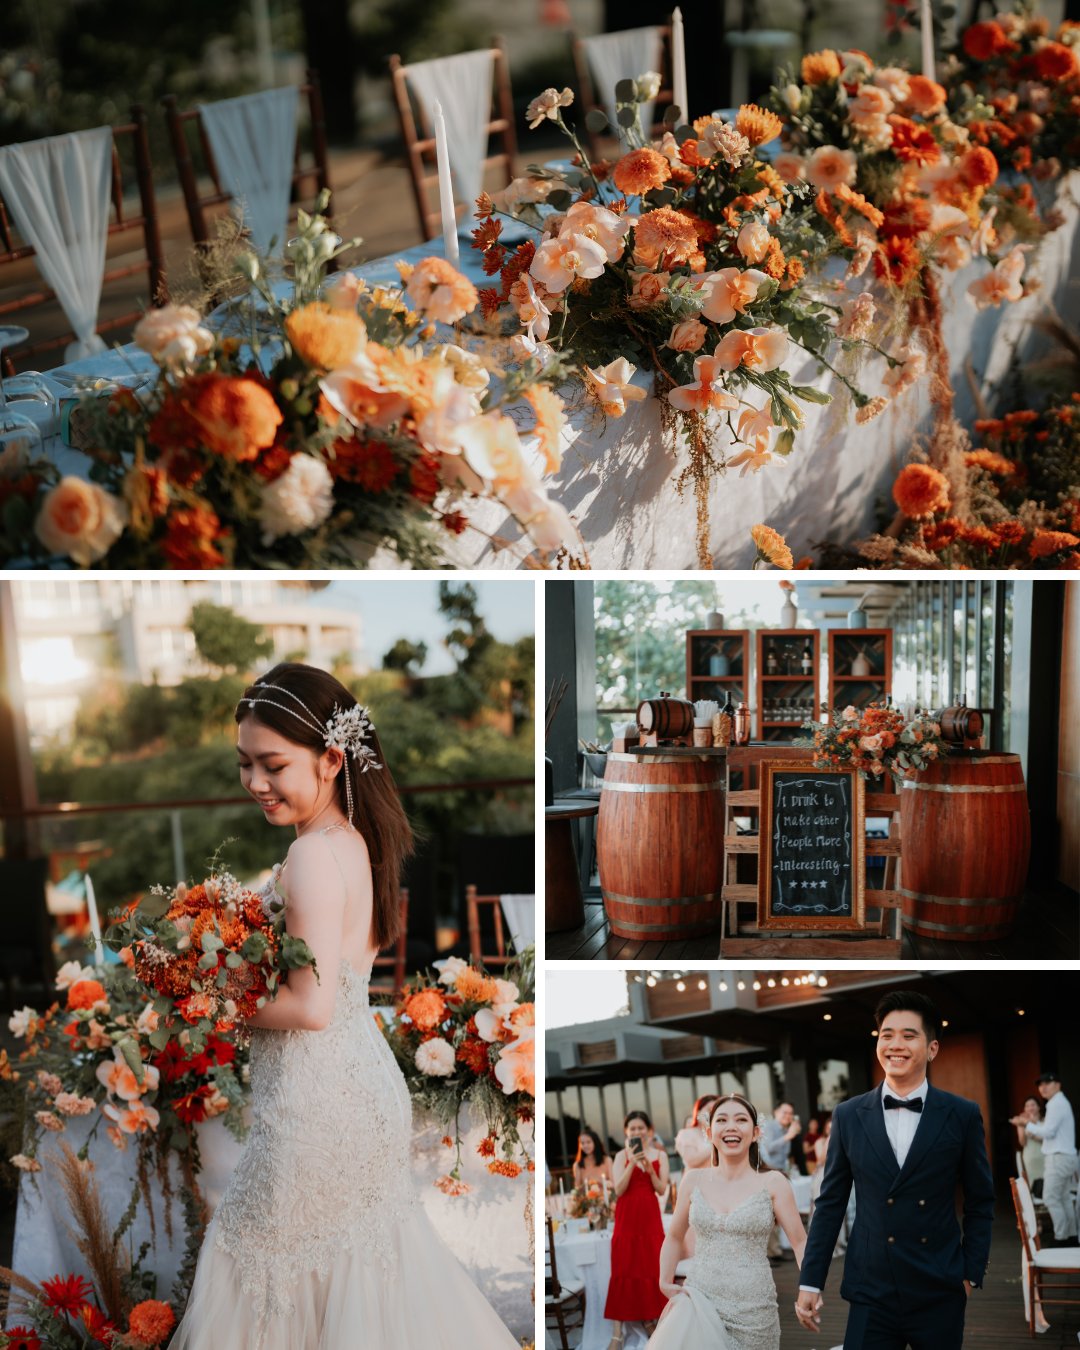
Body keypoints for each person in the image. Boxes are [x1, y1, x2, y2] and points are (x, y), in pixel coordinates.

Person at [170, 663, 518, 1350]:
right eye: (244, 764)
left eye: (272, 764)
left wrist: (207, 996)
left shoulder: (308, 856)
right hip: (351, 1090)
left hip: (317, 1102)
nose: (255, 783)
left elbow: (311, 1005)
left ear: (332, 758)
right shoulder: (354, 843)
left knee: (273, 1268)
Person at [795, 990, 994, 1350]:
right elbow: (830, 1204)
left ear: (932, 1048)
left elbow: (981, 1201)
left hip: (939, 1287)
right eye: (887, 1035)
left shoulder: (962, 1114)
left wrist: (969, 1274)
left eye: (908, 1035)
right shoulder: (848, 1115)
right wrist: (811, 1281)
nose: (895, 1044)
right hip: (871, 1289)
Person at [647, 1094, 807, 1349]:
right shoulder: (692, 1180)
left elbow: (800, 1243)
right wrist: (664, 1280)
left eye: (741, 1119)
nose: (731, 1126)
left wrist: (809, 1287)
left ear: (755, 1133)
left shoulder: (774, 1182)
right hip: (700, 1300)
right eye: (722, 1120)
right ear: (709, 1132)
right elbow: (675, 1236)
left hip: (754, 1309)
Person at [605, 1110, 670, 1341]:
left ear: (649, 1130)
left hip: (649, 1216)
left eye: (640, 1128)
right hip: (627, 1217)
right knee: (623, 1267)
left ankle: (652, 1319)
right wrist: (632, 1162)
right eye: (632, 1128)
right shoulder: (620, 1155)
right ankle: (616, 1334)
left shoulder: (660, 1156)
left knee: (651, 1267)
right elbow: (619, 1190)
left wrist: (649, 1167)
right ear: (626, 1132)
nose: (637, 1132)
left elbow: (662, 1189)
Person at [1011, 1072, 1078, 1245]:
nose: (1043, 1087)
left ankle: (1061, 1237)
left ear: (1058, 1084)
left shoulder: (1056, 1104)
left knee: (1050, 1198)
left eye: (1047, 1083)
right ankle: (1070, 1236)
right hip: (1064, 1156)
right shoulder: (1059, 1103)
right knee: (1063, 1197)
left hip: (1058, 1158)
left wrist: (1027, 1124)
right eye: (1040, 1085)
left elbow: (1048, 1132)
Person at [760, 1102, 800, 1261]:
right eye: (785, 1112)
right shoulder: (770, 1127)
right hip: (768, 1174)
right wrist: (788, 1136)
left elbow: (784, 1155)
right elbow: (767, 1148)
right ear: (776, 1112)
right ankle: (771, 1252)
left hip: (780, 1173)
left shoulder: (785, 1129)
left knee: (778, 1213)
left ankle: (776, 1250)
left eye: (790, 1113)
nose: (788, 1116)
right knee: (769, 1213)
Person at [674, 1094, 720, 1172]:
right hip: (696, 1181)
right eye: (709, 1110)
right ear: (698, 1112)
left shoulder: (720, 1133)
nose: (712, 1114)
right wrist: (716, 1144)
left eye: (716, 1111)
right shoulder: (686, 1134)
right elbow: (691, 1160)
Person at [1013, 1095, 1046, 1197]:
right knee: (1035, 1184)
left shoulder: (1045, 1120)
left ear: (1039, 1107)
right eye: (1027, 1106)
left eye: (1033, 1105)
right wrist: (1023, 1125)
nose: (1030, 1108)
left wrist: (1032, 1130)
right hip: (1031, 1157)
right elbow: (1022, 1143)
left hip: (1045, 1156)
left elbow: (1046, 1140)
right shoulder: (1021, 1121)